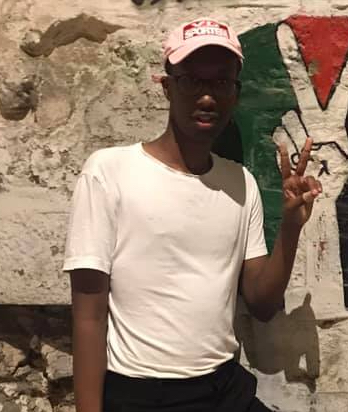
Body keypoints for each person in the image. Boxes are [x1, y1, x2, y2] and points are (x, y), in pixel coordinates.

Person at [63, 17, 322, 412]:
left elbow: (261, 302)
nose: (207, 96)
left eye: (221, 82)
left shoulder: (240, 182)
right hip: (142, 395)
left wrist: (290, 227)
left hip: (224, 388)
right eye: (192, 81)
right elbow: (88, 316)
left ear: (235, 93)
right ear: (167, 86)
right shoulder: (109, 172)